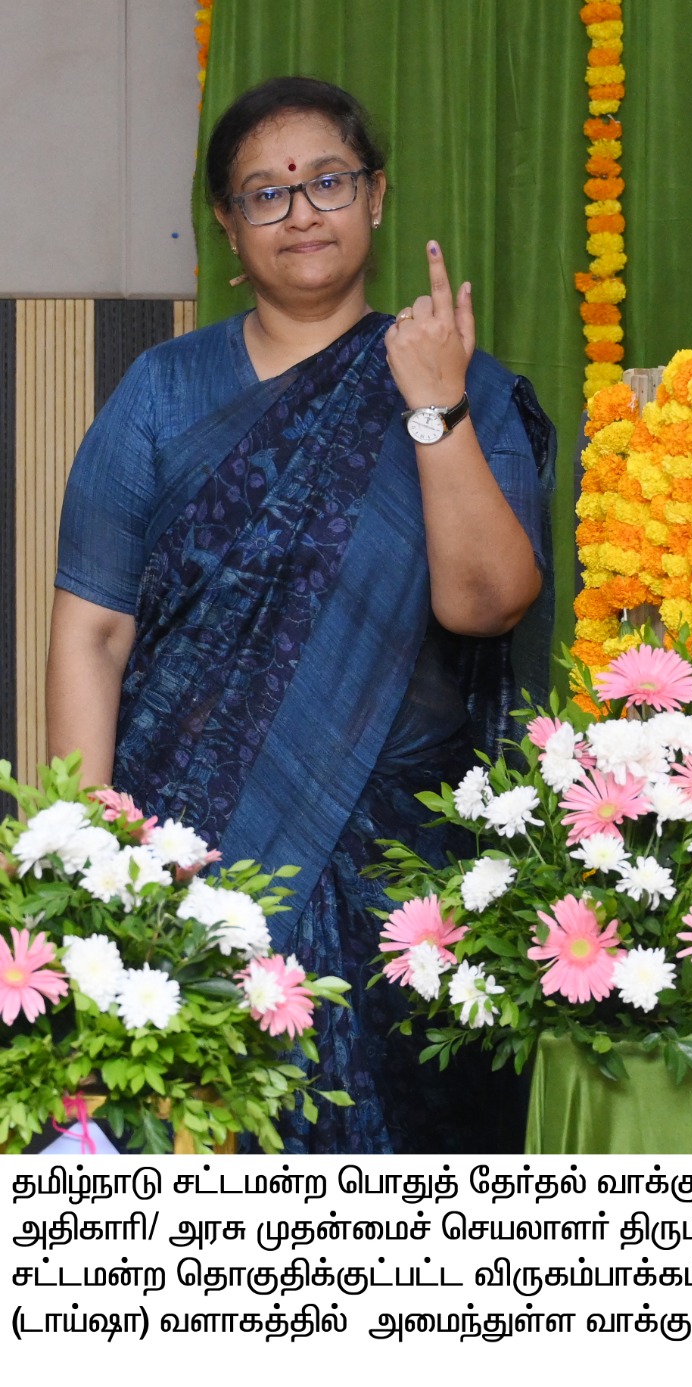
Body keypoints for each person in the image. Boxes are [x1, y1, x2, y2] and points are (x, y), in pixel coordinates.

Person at [46, 76, 554, 1154]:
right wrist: (93, 863)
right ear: (229, 229)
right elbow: (94, 631)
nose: (302, 212)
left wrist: (434, 403)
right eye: (266, 194)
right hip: (187, 863)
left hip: (403, 883)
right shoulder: (162, 392)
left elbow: (486, 603)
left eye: (328, 181)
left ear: (376, 197)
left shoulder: (468, 386)